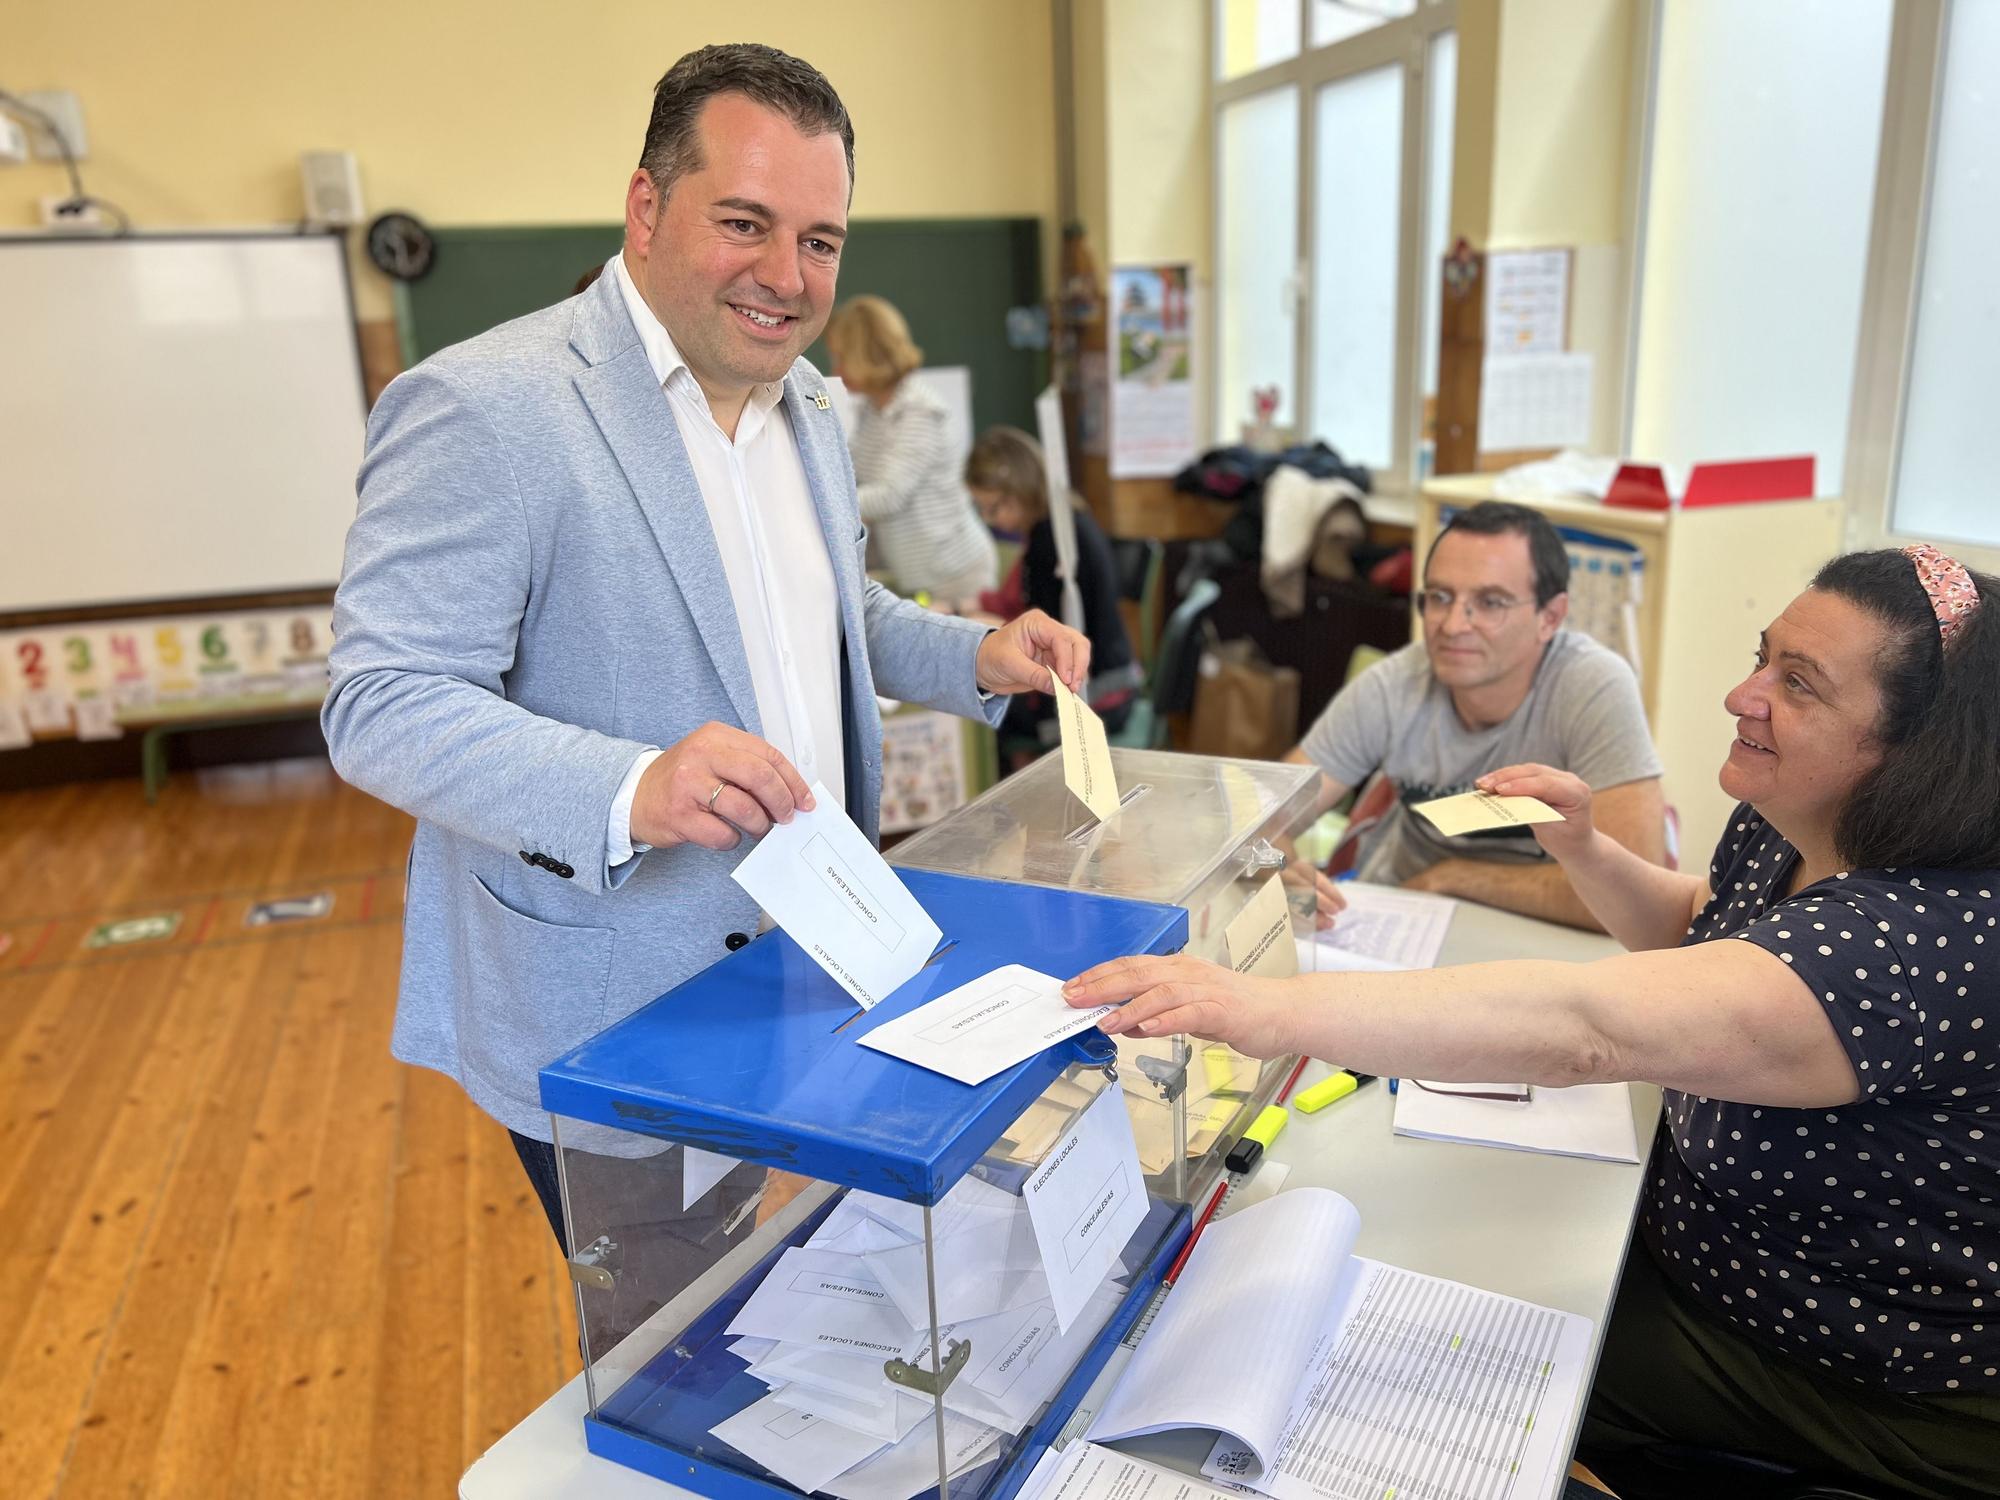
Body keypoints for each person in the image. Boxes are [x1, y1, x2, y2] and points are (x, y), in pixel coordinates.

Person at [322, 44, 1089, 1270]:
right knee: (675, 1340)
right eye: (744, 222)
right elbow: (381, 703)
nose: (786, 277)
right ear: (645, 206)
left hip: (816, 946)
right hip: (616, 1000)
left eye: (821, 240)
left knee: (789, 1288)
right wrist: (634, 786)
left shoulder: (814, 406)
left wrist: (979, 653)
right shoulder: (482, 407)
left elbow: (838, 612)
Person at [1064, 546, 2000, 1499]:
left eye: (1796, 684)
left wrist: (1267, 1008)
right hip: (1701, 1246)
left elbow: (1591, 1029)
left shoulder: (1914, 941)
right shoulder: (1792, 812)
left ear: (1916, 749)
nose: (1740, 694)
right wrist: (1585, 849)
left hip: (1836, 1360)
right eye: (1763, 656)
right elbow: (1699, 928)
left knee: (1437, 1379)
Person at [1288, 499, 1665, 931]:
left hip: (1534, 933)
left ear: (1551, 617)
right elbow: (1267, 815)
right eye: (1440, 597)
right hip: (1402, 918)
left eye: (1490, 602)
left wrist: (1454, 878)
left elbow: (1634, 897)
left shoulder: (1592, 686)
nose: (1452, 625)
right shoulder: (1391, 685)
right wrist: (1278, 869)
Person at [965, 424, 1141, 744]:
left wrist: (985, 624)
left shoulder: (1050, 541)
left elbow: (1045, 637)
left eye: (994, 508)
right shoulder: (1068, 518)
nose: (990, 520)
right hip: (1116, 677)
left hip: (1097, 695)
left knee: (980, 707)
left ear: (1020, 490)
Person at [824, 294, 996, 604]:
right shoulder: (870, 411)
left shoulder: (918, 411)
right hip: (919, 574)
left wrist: (822, 503)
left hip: (954, 575)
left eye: (841, 357)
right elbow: (851, 474)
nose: (836, 368)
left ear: (866, 355)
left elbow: (889, 496)